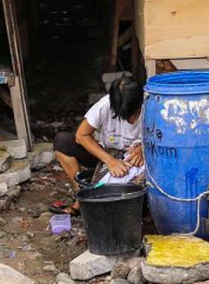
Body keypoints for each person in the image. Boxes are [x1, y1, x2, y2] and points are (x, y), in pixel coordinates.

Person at [51, 76, 143, 214]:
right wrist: (109, 160)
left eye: (132, 115)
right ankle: (82, 196)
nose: (128, 121)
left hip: (139, 159)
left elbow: (169, 138)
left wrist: (144, 149)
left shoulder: (152, 107)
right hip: (106, 154)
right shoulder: (105, 105)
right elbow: (81, 135)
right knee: (62, 142)